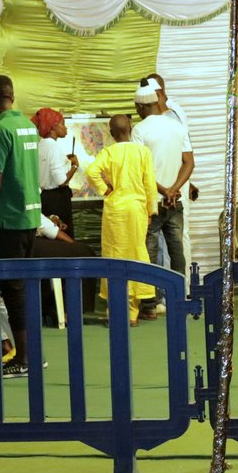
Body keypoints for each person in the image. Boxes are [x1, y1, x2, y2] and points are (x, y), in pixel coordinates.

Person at [0, 75, 44, 372]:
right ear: (12, 96)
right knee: (25, 288)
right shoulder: (27, 127)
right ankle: (33, 353)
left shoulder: (1, 129)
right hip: (30, 218)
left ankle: (24, 358)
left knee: (13, 291)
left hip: (8, 220)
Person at [85, 114, 159, 325]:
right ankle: (133, 313)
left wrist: (105, 189)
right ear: (131, 128)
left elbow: (92, 171)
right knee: (136, 254)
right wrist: (151, 211)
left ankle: (116, 311)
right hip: (136, 210)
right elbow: (150, 185)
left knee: (114, 256)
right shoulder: (143, 152)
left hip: (115, 210)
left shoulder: (108, 152)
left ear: (111, 133)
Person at [132, 79, 193, 312]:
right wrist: (174, 189)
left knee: (150, 250)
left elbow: (141, 170)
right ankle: (178, 297)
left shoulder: (140, 130)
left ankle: (151, 302)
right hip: (175, 201)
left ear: (141, 106)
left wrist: (163, 190)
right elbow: (189, 162)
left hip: (153, 202)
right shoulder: (178, 127)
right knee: (177, 250)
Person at [31, 106, 78, 243]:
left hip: (44, 197)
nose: (66, 128)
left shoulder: (40, 145)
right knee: (62, 237)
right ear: (53, 127)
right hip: (58, 200)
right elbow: (61, 180)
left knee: (50, 238)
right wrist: (74, 166)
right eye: (63, 124)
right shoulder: (54, 148)